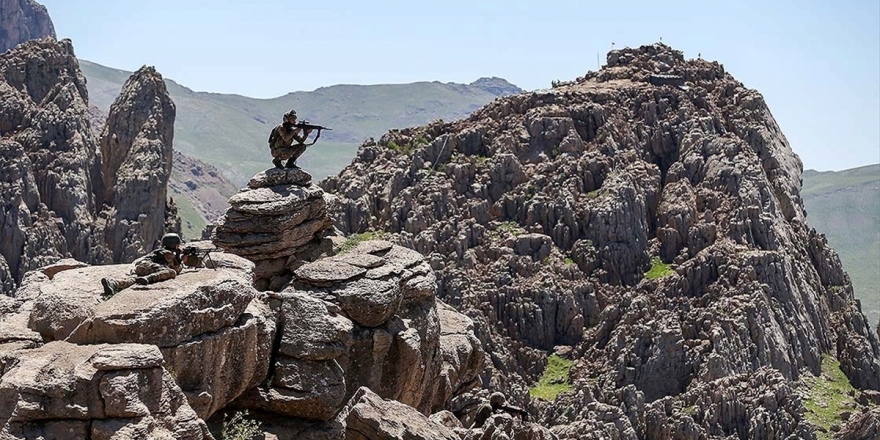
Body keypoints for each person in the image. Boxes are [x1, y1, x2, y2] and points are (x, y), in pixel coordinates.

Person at [101, 233, 184, 297]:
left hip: (141, 266)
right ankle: (148, 278)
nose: (178, 246)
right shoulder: (168, 254)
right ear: (173, 245)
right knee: (172, 272)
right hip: (149, 266)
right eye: (177, 245)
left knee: (132, 280)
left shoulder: (161, 251)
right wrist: (180, 258)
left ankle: (113, 283)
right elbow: (176, 269)